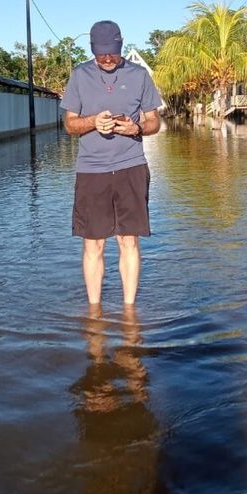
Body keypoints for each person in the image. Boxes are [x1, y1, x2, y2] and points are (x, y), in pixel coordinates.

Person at [60, 20, 163, 306]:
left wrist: (137, 128)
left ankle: (129, 311)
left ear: (120, 46)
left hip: (131, 166)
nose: (106, 59)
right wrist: (93, 122)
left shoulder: (140, 75)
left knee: (128, 240)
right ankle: (94, 310)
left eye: (111, 53)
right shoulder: (79, 76)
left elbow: (154, 121)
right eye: (100, 53)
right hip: (91, 170)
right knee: (93, 243)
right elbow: (69, 125)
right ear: (92, 49)